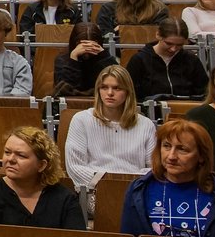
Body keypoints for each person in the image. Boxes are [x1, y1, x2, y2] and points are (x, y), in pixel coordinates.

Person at [64, 64, 156, 220]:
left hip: (136, 190)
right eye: (104, 87)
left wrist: (128, 183)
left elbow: (154, 168)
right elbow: (74, 166)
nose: (110, 93)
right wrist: (107, 182)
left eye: (117, 88)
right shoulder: (81, 120)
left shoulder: (146, 125)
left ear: (128, 91)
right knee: (112, 207)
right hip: (95, 191)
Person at [127, 19, 208, 101]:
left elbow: (204, 92)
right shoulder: (139, 60)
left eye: (179, 45)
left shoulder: (192, 60)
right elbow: (131, 94)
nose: (173, 49)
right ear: (158, 35)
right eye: (169, 43)